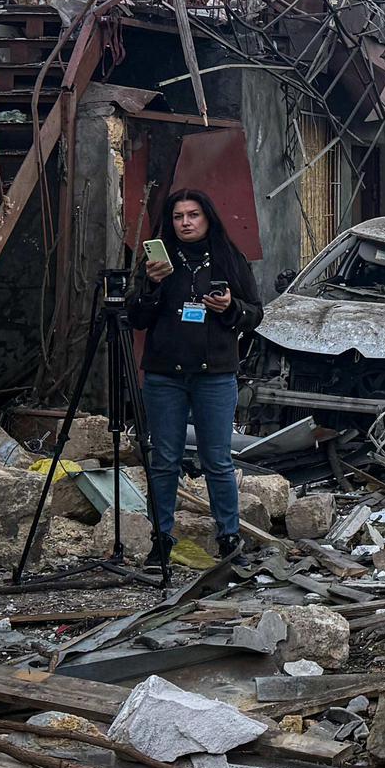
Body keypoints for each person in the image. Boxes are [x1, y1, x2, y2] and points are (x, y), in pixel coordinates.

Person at [127, 188, 262, 570]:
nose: (185, 223)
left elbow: (255, 313)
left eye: (193, 215)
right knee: (164, 460)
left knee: (216, 460)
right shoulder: (157, 261)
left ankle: (229, 539)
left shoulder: (228, 257)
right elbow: (136, 318)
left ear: (207, 217)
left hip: (214, 375)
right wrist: (152, 287)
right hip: (164, 375)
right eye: (178, 216)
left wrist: (230, 307)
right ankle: (161, 542)